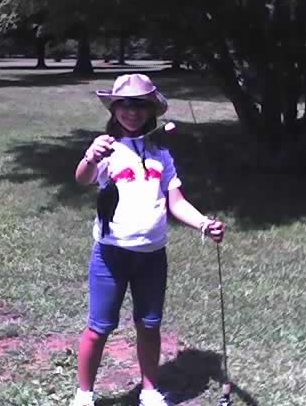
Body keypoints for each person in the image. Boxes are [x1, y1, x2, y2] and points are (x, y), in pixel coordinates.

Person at [71, 74, 225, 406]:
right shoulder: (107, 149)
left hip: (152, 257)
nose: (132, 111)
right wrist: (90, 157)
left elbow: (177, 202)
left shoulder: (160, 154)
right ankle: (84, 394)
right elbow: (82, 179)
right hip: (111, 255)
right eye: (124, 104)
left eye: (140, 105)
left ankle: (150, 390)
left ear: (150, 109)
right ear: (114, 108)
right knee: (99, 328)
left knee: (149, 325)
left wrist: (203, 224)